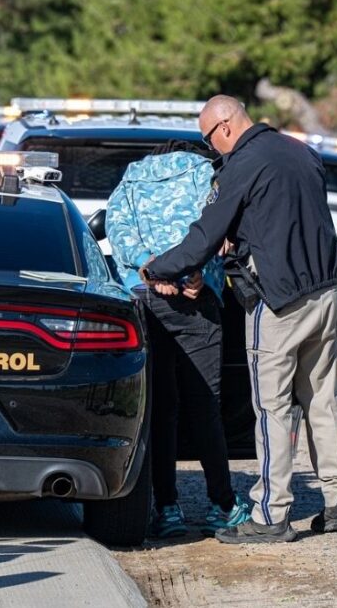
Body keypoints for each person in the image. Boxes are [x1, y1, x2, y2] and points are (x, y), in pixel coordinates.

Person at [142, 95, 337, 544]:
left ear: (224, 127)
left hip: (278, 302)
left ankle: (271, 515)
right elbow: (284, 219)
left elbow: (204, 236)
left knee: (271, 409)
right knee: (322, 399)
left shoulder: (242, 162)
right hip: (327, 292)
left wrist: (159, 268)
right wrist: (241, 236)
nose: (211, 148)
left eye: (209, 139)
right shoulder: (301, 152)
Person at [105, 140, 250, 538]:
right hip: (195, 299)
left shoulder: (130, 180)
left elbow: (118, 233)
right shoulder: (207, 176)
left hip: (143, 299)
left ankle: (167, 508)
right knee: (205, 406)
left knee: (160, 407)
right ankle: (222, 505)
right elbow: (218, 229)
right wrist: (194, 273)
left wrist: (151, 270)